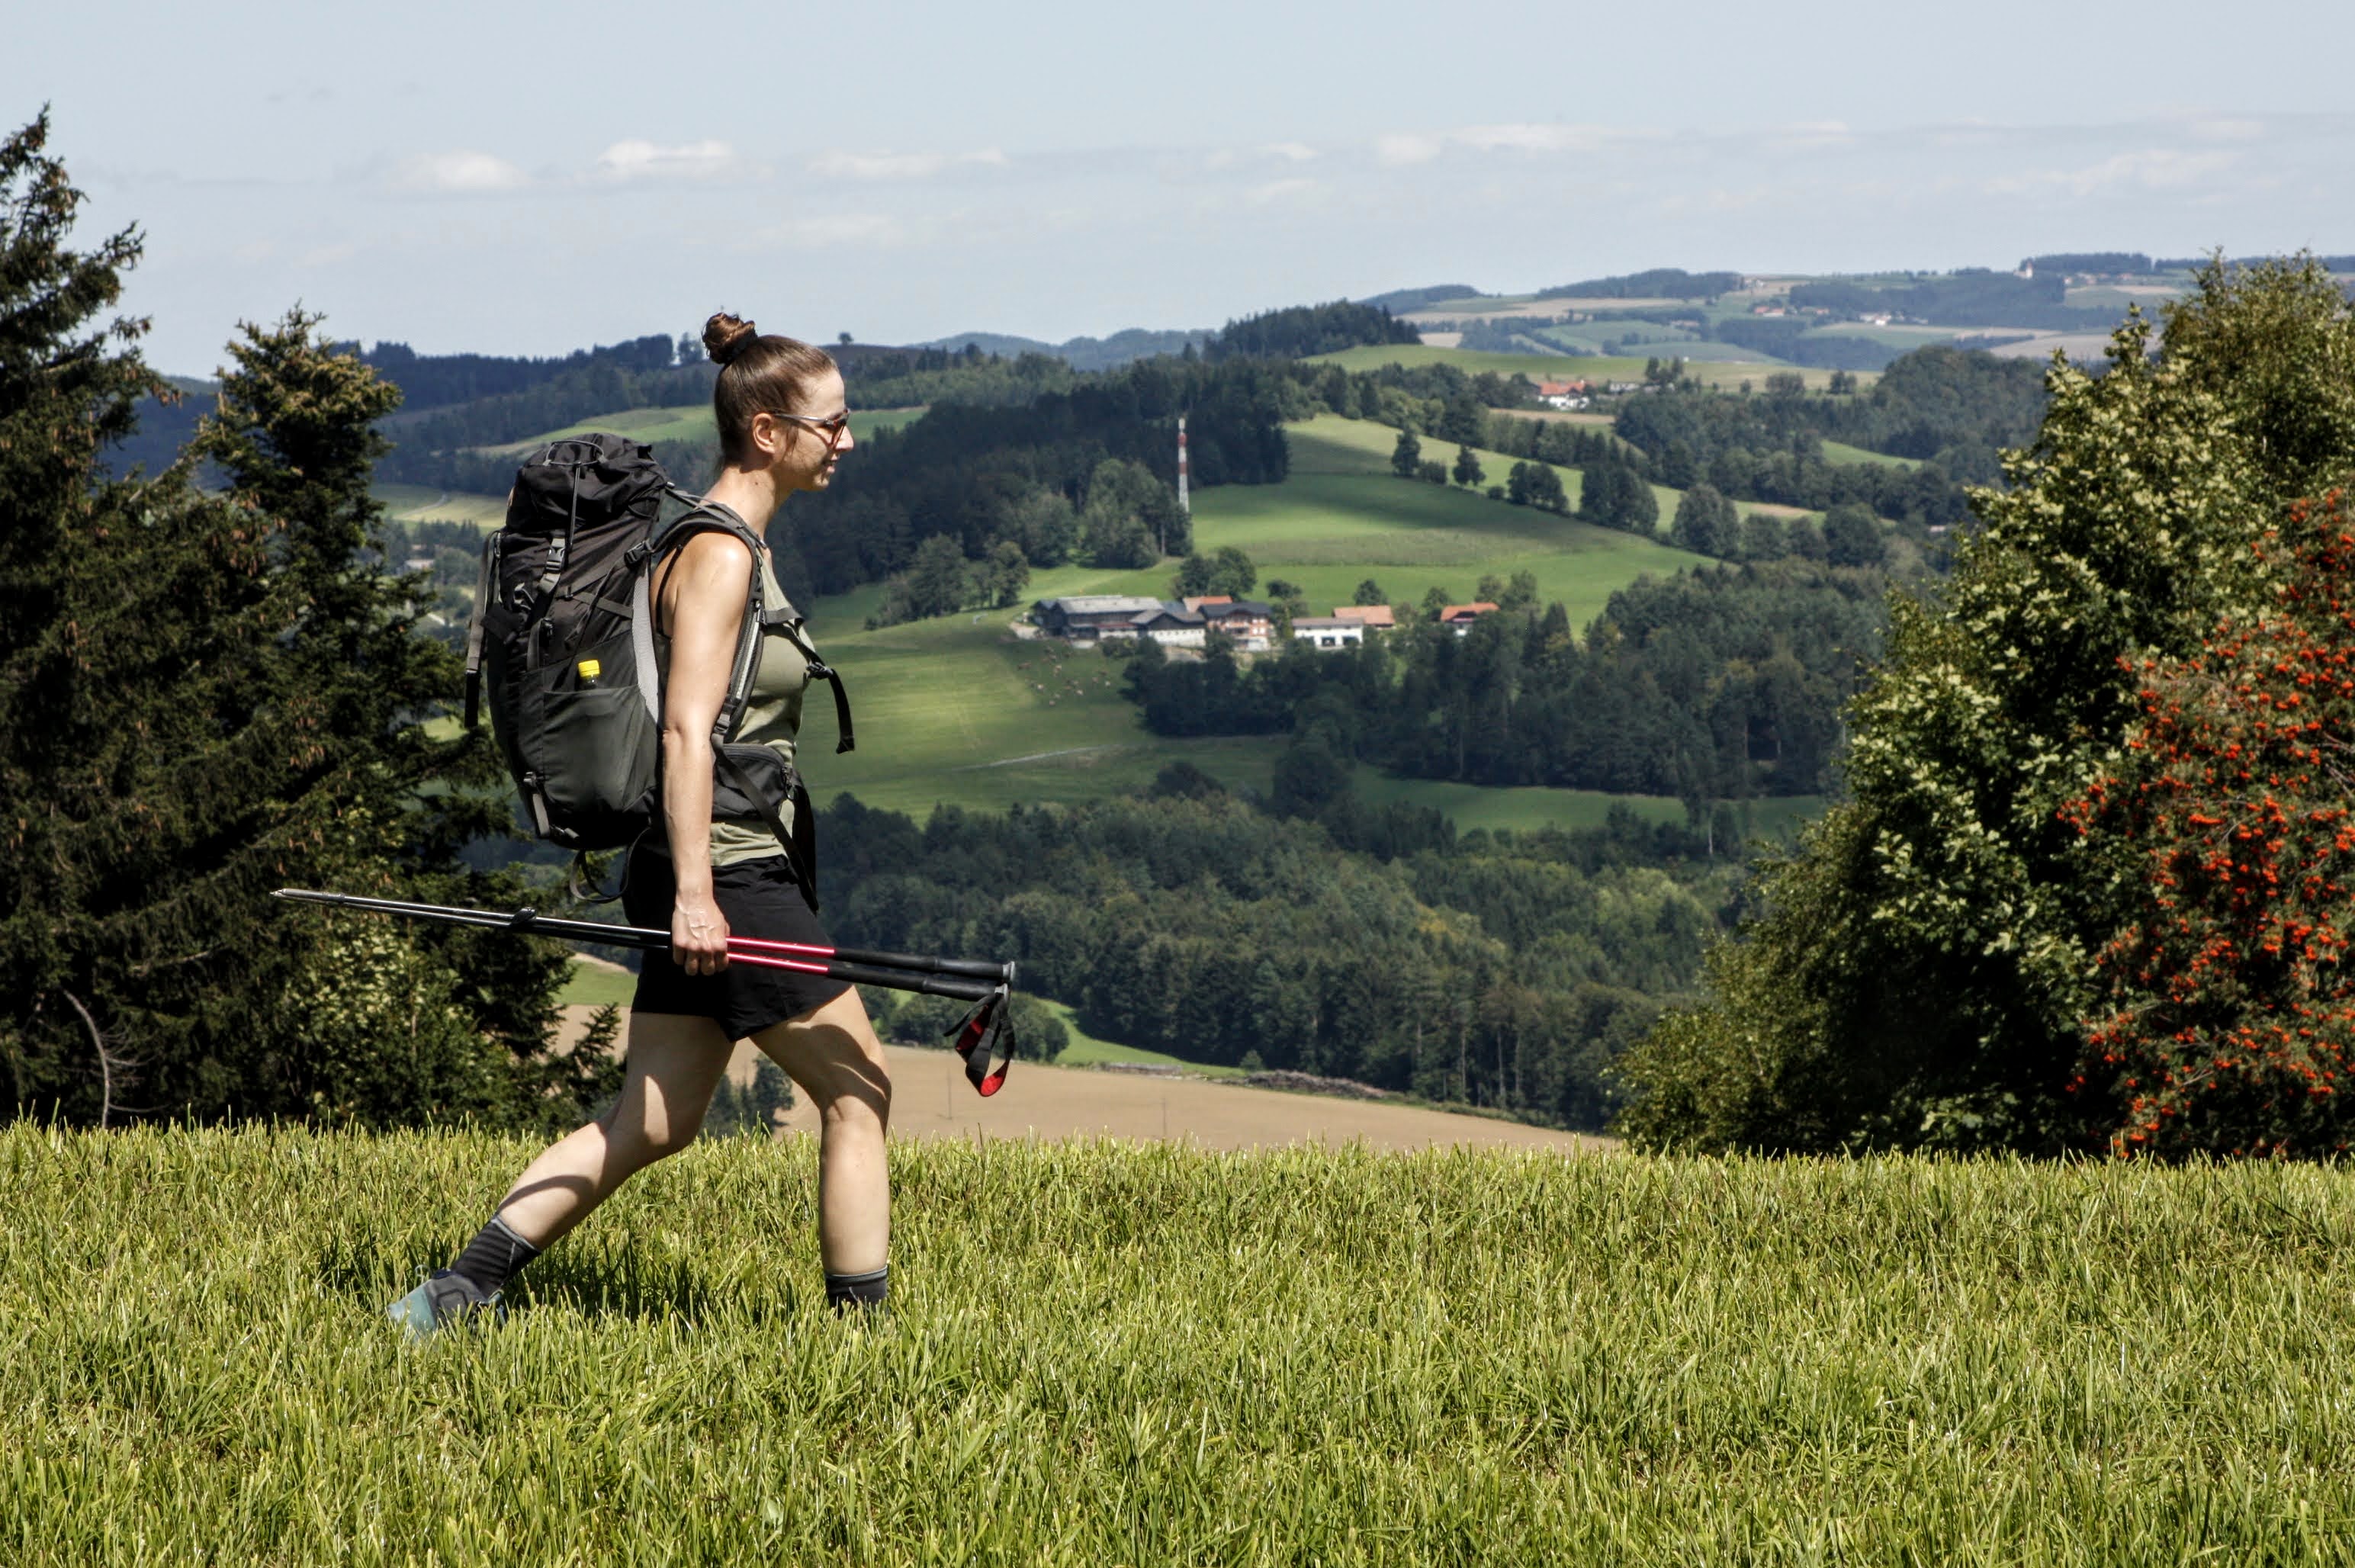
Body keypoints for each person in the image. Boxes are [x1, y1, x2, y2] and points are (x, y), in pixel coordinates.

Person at [390, 314, 893, 1336]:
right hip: (726, 875)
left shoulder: (713, 540)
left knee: (653, 1120)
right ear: (767, 432)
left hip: (696, 868)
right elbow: (685, 736)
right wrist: (703, 899)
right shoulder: (718, 556)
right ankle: (864, 1349)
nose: (847, 440)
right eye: (831, 424)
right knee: (862, 1095)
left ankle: (450, 1297)